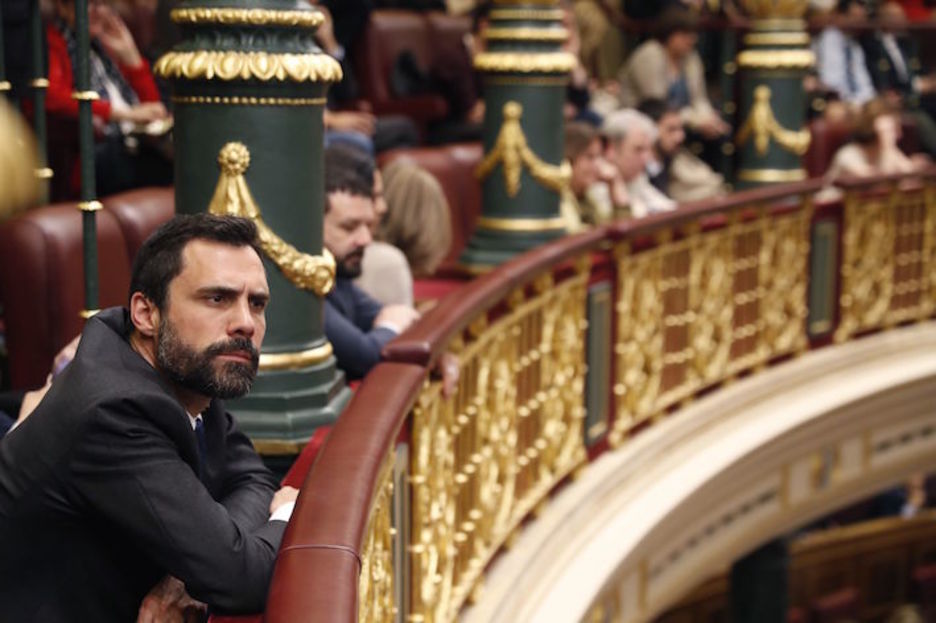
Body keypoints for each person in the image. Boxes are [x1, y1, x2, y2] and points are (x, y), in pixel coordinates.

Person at [0, 214, 296, 622]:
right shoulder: (113, 410)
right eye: (217, 298)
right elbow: (240, 579)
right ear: (145, 313)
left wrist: (190, 570)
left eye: (256, 303)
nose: (245, 322)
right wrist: (285, 515)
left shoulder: (188, 369)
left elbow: (252, 478)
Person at [45, 0, 172, 196]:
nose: (99, 11)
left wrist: (132, 57)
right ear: (63, 8)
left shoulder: (106, 45)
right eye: (90, 4)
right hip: (100, 152)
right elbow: (53, 99)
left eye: (104, 4)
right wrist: (121, 114)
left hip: (135, 144)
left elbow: (152, 107)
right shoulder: (53, 43)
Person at [322, 146, 421, 380]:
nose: (365, 239)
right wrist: (390, 328)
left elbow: (398, 317)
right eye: (349, 227)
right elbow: (364, 356)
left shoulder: (339, 274)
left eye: (367, 225)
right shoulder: (295, 288)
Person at [616, 7, 729, 140]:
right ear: (669, 33)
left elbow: (699, 98)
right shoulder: (650, 55)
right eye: (685, 34)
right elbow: (657, 105)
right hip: (644, 126)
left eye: (693, 34)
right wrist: (697, 120)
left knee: (720, 133)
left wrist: (708, 118)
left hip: (680, 124)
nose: (691, 40)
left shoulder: (691, 57)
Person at [638, 98, 725, 201]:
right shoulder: (637, 170)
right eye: (671, 130)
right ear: (650, 130)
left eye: (681, 129)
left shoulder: (673, 159)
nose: (681, 136)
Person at [826, 97, 927, 180]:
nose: (899, 135)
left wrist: (915, 166)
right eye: (892, 129)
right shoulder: (847, 156)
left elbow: (912, 178)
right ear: (872, 130)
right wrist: (888, 146)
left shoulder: (890, 152)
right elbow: (878, 183)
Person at [602, 108, 676, 218]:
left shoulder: (637, 178)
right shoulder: (598, 184)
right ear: (611, 150)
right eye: (638, 150)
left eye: (648, 149)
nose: (646, 158)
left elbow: (669, 208)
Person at [813, 0, 877, 109]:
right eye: (854, 18)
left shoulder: (854, 44)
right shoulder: (827, 39)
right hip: (834, 100)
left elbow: (863, 82)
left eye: (861, 20)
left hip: (858, 101)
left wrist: (867, 101)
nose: (858, 24)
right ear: (839, 16)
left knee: (879, 109)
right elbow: (830, 81)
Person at [562, 121, 616, 226]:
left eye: (600, 156)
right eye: (590, 157)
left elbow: (620, 236)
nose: (599, 165)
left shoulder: (588, 196)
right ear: (567, 160)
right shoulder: (558, 200)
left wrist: (615, 184)